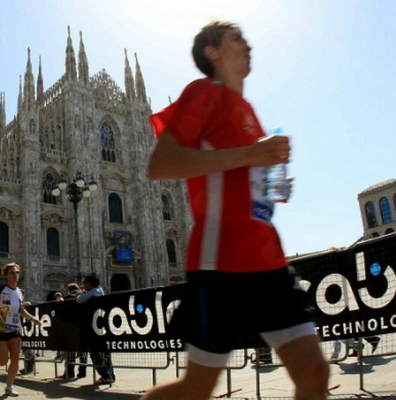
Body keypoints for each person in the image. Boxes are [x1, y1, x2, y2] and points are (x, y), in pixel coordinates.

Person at [142, 20, 329, 400]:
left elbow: (236, 177)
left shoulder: (247, 110)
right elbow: (161, 164)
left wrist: (268, 183)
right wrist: (252, 154)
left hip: (268, 260)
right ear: (212, 52)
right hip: (221, 264)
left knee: (314, 371)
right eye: (235, 38)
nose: (247, 43)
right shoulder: (204, 92)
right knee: (196, 388)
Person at [0, 262, 42, 397]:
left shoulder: (20, 293)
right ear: (6, 276)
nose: (15, 275)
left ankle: (9, 386)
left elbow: (21, 310)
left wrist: (33, 318)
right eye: (12, 272)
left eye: (17, 273)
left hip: (14, 328)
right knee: (3, 360)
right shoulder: (0, 290)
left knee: (15, 358)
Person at [76, 275, 115, 384]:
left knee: (94, 352)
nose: (83, 285)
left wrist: (81, 294)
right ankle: (110, 375)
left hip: (95, 329)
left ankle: (105, 375)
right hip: (102, 328)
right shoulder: (99, 291)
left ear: (90, 283)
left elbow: (79, 300)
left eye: (85, 283)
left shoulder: (94, 292)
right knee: (105, 353)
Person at [61, 283, 87, 379]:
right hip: (83, 328)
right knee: (82, 352)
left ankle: (70, 372)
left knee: (70, 351)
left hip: (71, 328)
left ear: (69, 290)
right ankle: (82, 372)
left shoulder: (68, 298)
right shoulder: (84, 297)